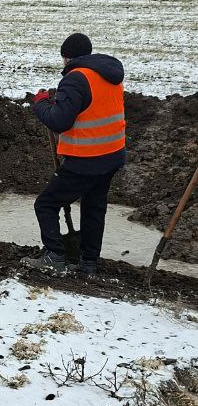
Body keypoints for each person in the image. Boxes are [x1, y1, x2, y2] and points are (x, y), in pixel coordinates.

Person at [32, 33, 126, 275]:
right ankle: (88, 263)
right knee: (94, 207)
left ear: (66, 57)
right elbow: (90, 108)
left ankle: (55, 256)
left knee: (46, 204)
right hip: (111, 156)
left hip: (85, 160)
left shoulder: (75, 79)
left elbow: (59, 122)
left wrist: (41, 103)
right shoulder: (109, 75)